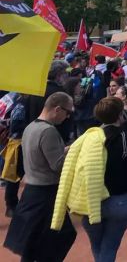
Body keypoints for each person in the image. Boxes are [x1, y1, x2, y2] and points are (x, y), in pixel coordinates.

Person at [55, 96, 127, 262]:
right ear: (120, 115)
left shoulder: (87, 139)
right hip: (120, 200)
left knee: (98, 246)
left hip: (90, 202)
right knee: (109, 247)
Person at [3, 92, 77, 262]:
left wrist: (65, 150)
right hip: (46, 192)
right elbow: (57, 165)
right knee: (59, 237)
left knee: (32, 240)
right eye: (67, 113)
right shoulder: (48, 131)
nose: (67, 117)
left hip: (33, 190)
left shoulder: (31, 127)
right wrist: (72, 154)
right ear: (57, 109)